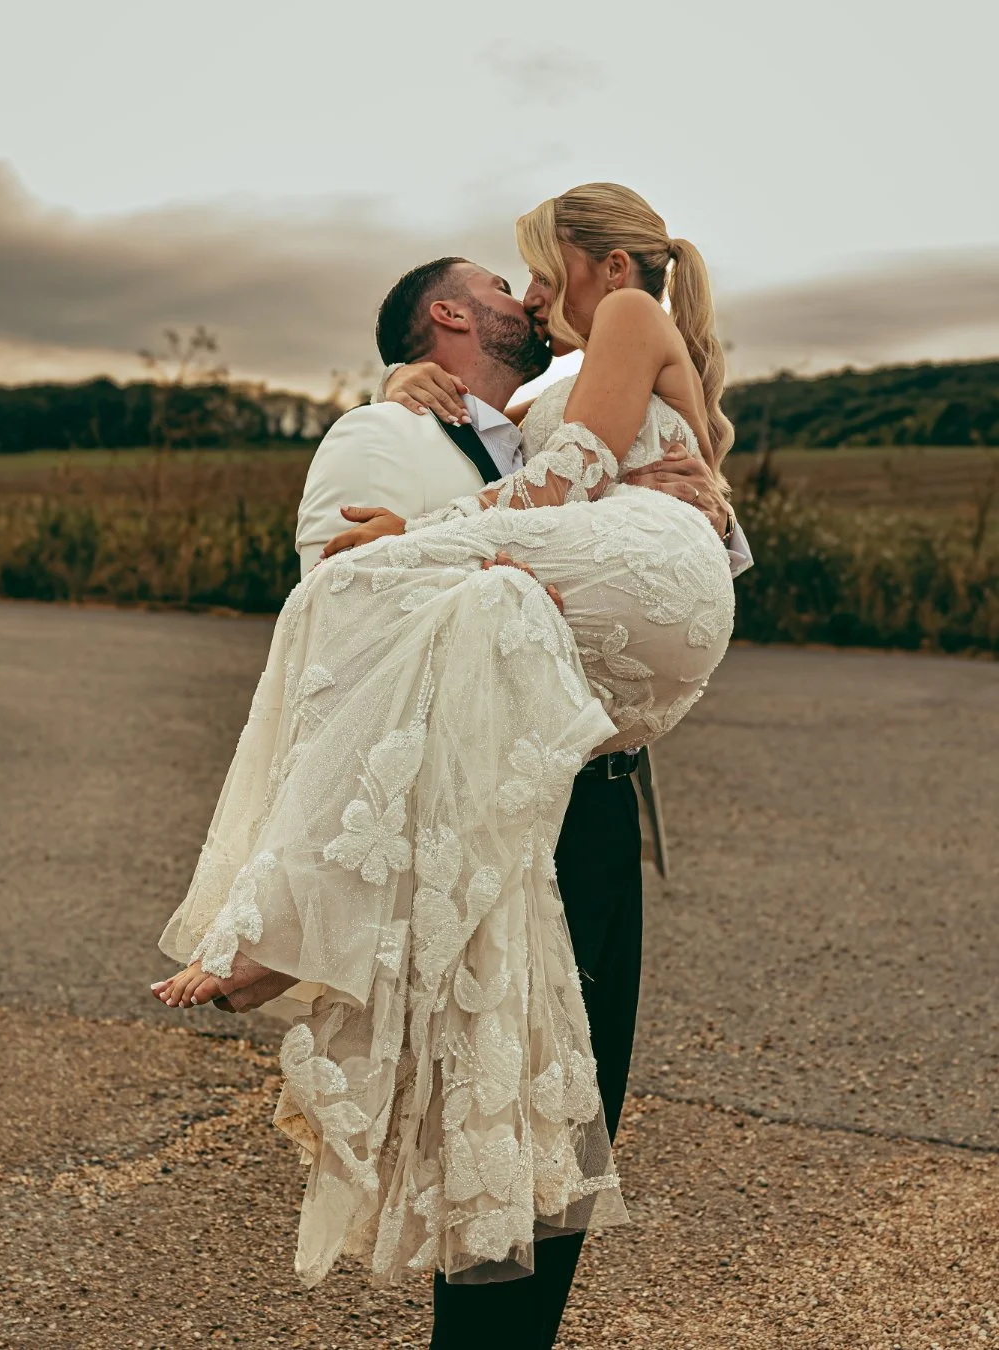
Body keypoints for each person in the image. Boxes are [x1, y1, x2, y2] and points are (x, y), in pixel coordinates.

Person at [151, 184, 745, 1328]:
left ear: (591, 263)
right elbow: (343, 595)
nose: (521, 294)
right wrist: (398, 425)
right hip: (482, 787)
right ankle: (291, 919)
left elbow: (591, 504)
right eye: (493, 286)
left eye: (528, 271)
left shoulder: (571, 386)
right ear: (448, 323)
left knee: (570, 1112)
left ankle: (288, 928)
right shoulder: (390, 429)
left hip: (589, 793)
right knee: (488, 1100)